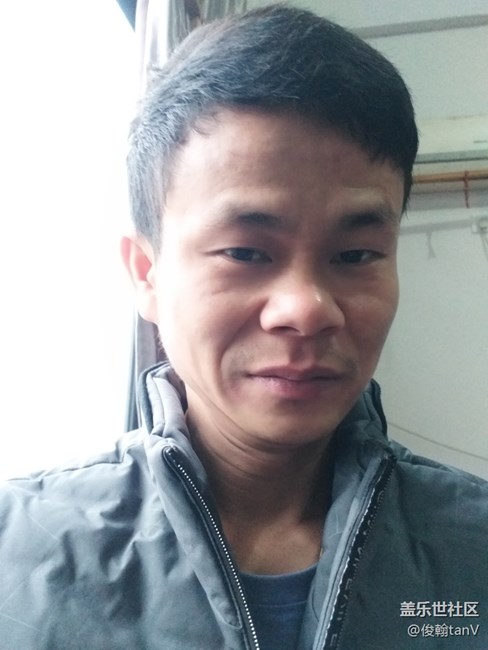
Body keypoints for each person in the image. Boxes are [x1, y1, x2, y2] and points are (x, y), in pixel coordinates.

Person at [1, 5, 486, 649]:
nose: (307, 308)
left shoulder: (471, 548)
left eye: (355, 255)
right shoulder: (19, 556)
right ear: (146, 273)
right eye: (245, 252)